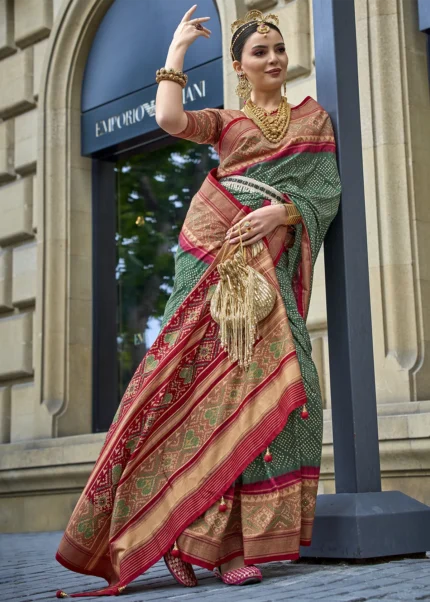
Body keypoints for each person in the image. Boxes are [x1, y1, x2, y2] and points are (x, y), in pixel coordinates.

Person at [55, 5, 341, 598]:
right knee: (197, 391)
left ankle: (213, 536)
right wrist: (178, 50)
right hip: (214, 256)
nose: (274, 59)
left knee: (292, 391)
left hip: (268, 264)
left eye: (279, 49)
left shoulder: (314, 119)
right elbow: (167, 117)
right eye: (259, 53)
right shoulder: (227, 122)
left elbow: (326, 189)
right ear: (239, 66)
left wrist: (283, 212)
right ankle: (203, 543)